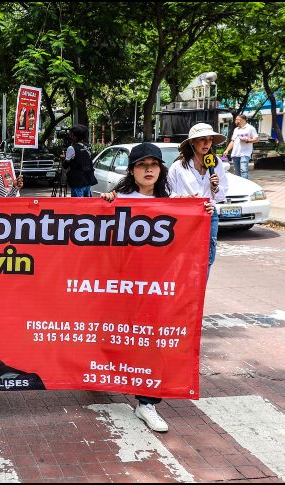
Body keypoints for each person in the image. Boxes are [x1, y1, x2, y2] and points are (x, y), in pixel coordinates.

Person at [100, 142, 213, 433]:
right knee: (113, 335)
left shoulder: (174, 200)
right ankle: (99, 377)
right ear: (133, 170)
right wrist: (104, 203)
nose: (148, 169)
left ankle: (146, 402)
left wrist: (205, 210)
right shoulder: (118, 199)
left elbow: (191, 230)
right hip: (119, 284)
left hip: (157, 286)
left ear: (161, 169)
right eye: (141, 164)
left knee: (151, 338)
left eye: (153, 164)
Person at [167, 123, 227, 275]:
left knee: (207, 256)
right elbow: (167, 193)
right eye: (202, 139)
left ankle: (200, 291)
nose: (207, 143)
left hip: (208, 213)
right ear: (192, 142)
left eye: (210, 139)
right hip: (184, 216)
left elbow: (220, 196)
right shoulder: (178, 166)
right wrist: (183, 198)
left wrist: (215, 186)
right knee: (183, 255)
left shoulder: (216, 163)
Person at [62, 124, 97, 197]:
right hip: (87, 180)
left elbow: (65, 165)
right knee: (87, 205)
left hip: (77, 182)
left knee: (77, 205)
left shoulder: (71, 148)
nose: (70, 136)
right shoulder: (87, 147)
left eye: (71, 135)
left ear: (75, 136)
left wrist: (64, 158)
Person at [222, 114, 258, 179]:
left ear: (243, 120)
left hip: (245, 153)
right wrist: (227, 150)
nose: (235, 121)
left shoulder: (250, 128)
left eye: (237, 119)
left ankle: (247, 186)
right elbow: (232, 141)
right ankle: (240, 187)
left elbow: (256, 139)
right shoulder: (236, 129)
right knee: (237, 173)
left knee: (243, 171)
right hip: (235, 154)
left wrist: (247, 140)